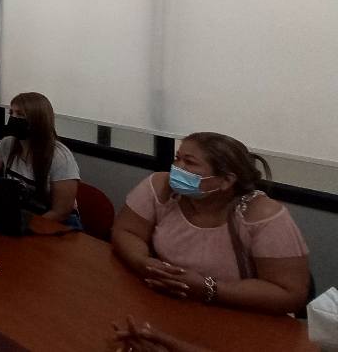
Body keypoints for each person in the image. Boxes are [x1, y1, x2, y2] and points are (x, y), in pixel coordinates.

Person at [111, 132, 311, 315]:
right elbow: (126, 231)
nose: (177, 168)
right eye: (177, 158)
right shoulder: (161, 188)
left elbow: (290, 295)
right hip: (169, 305)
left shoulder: (262, 215)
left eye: (189, 162)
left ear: (226, 180)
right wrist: (142, 262)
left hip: (241, 316)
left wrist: (208, 288)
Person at [0, 92, 81, 226]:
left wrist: (24, 226)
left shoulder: (60, 157)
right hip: (22, 218)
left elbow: (61, 212)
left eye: (20, 114)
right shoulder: (7, 144)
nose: (13, 118)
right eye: (11, 113)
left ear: (38, 120)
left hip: (57, 225)